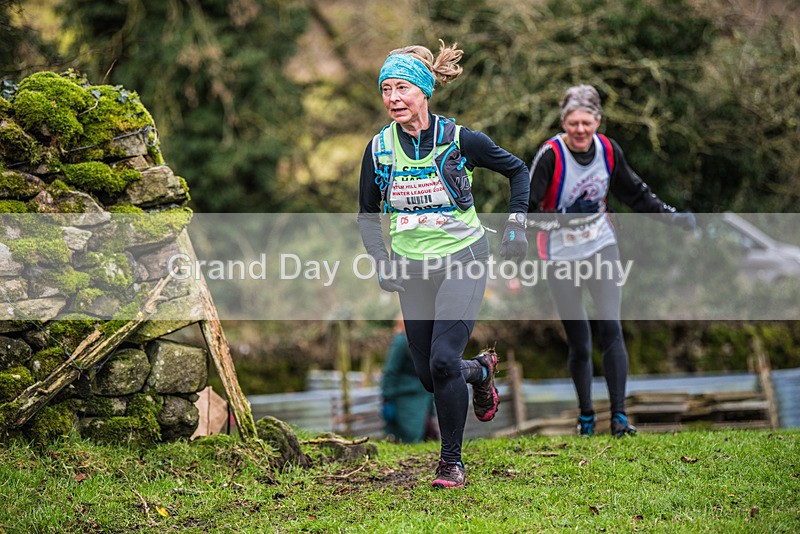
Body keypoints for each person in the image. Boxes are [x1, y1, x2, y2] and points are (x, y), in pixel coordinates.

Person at [358, 40, 530, 488]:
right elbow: (366, 215)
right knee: (430, 377)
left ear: (424, 91)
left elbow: (518, 171)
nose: (393, 98)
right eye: (386, 89)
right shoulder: (379, 150)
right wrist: (381, 261)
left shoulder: (459, 140)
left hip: (464, 259)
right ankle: (481, 371)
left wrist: (516, 224)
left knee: (442, 359)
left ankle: (451, 462)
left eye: (402, 88)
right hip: (412, 269)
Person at [527, 84, 696, 438]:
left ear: (598, 121)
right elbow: (525, 215)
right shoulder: (550, 156)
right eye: (573, 123)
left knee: (611, 326)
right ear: (563, 122)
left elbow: (634, 192)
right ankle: (586, 416)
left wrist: (671, 216)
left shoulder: (607, 150)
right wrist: (563, 217)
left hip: (600, 244)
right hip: (560, 253)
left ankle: (619, 417)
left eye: (586, 123)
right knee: (579, 339)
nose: (580, 130)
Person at [381, 315, 438, 443]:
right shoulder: (401, 341)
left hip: (423, 396)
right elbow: (391, 370)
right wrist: (387, 397)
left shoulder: (424, 341)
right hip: (406, 397)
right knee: (410, 435)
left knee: (428, 434)